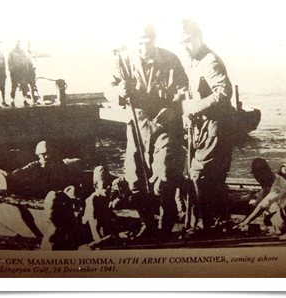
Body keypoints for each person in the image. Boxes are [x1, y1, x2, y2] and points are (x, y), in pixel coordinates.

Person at [107, 21, 189, 239]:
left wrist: (173, 108)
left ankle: (165, 224)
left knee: (164, 177)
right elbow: (110, 88)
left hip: (165, 125)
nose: (144, 47)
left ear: (155, 40)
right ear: (135, 43)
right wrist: (119, 92)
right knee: (135, 178)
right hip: (136, 124)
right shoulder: (123, 60)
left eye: (148, 42)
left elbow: (183, 90)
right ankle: (148, 224)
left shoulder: (170, 59)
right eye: (140, 43)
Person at [180, 18, 235, 237]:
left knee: (198, 175)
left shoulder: (210, 61)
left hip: (216, 128)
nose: (185, 46)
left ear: (199, 37)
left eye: (188, 40)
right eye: (181, 42)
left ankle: (205, 225)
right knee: (212, 178)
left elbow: (223, 92)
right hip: (205, 129)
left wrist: (194, 107)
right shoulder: (196, 61)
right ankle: (221, 221)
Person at [7, 140, 71, 238]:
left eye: (46, 154)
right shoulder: (35, 165)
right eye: (41, 155)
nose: (44, 157)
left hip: (55, 198)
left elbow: (64, 182)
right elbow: (19, 173)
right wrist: (9, 176)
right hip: (41, 196)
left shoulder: (59, 165)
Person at [234, 158, 286, 236]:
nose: (258, 180)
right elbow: (259, 202)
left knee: (267, 225)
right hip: (284, 212)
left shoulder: (278, 187)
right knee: (266, 218)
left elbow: (262, 206)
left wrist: (245, 222)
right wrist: (244, 221)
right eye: (256, 177)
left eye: (259, 177)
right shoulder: (272, 179)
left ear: (266, 173)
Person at [82, 166, 134, 245]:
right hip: (95, 242)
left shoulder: (104, 198)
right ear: (96, 185)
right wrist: (118, 236)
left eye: (110, 184)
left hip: (107, 237)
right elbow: (96, 236)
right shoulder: (92, 201)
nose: (109, 187)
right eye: (105, 184)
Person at [8, 38, 31, 107]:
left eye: (18, 42)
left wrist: (26, 71)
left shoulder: (22, 52)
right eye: (16, 42)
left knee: (24, 86)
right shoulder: (11, 53)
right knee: (14, 86)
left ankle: (25, 100)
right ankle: (12, 101)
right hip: (15, 73)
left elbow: (25, 62)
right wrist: (12, 71)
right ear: (14, 43)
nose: (17, 44)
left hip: (22, 73)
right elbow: (9, 63)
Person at [26, 39, 39, 104]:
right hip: (26, 71)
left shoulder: (32, 52)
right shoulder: (24, 52)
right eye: (27, 44)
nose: (28, 45)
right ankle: (25, 100)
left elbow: (35, 60)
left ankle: (34, 99)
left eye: (29, 44)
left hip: (31, 70)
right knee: (25, 86)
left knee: (33, 85)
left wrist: (34, 66)